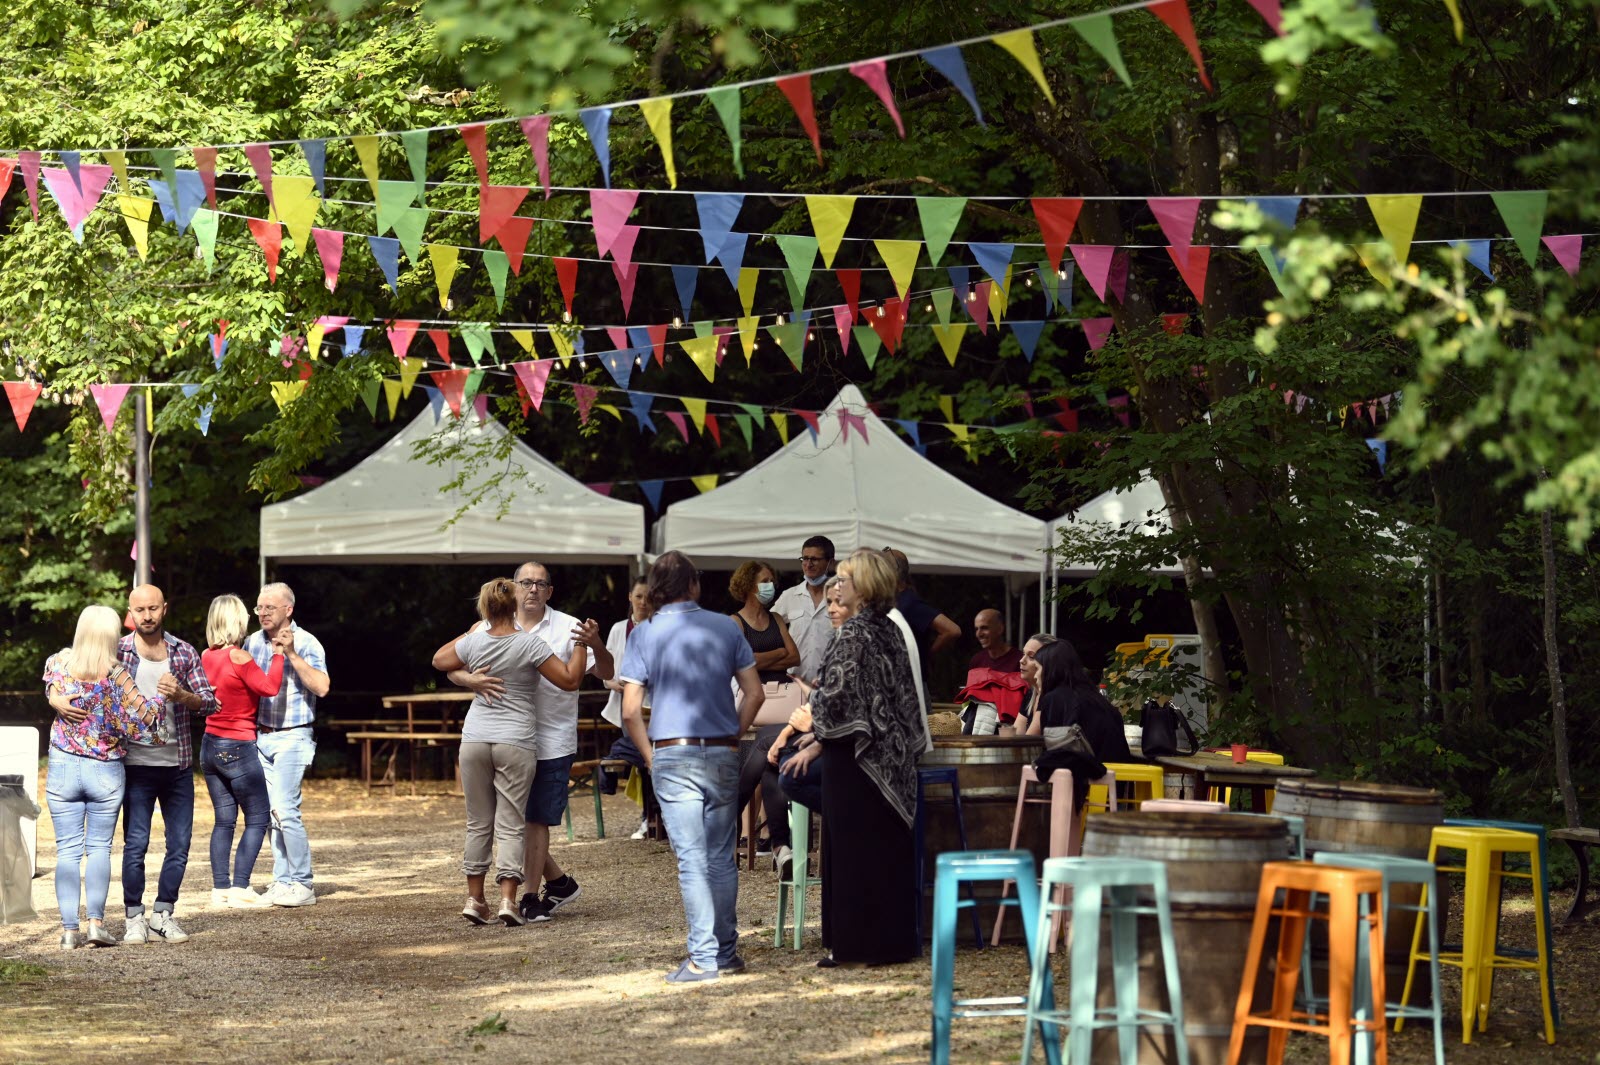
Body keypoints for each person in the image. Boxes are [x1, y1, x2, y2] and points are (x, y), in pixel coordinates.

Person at [618, 551, 764, 983]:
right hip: (721, 751)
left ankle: (702, 959)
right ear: (695, 584)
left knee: (692, 860)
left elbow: (630, 711)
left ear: (658, 588)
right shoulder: (726, 626)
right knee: (721, 856)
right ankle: (726, 952)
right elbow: (753, 694)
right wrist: (733, 737)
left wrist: (649, 755)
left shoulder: (644, 633)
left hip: (672, 752)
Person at [448, 561, 612, 923]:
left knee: (531, 820)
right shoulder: (487, 627)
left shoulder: (570, 627)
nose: (533, 589)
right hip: (506, 736)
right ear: (513, 589)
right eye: (526, 583)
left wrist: (594, 644)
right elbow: (451, 666)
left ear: (550, 591)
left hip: (551, 737)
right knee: (513, 822)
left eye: (541, 584)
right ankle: (553, 884)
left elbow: (606, 672)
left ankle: (528, 896)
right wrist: (470, 681)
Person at [797, 548, 923, 969]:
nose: (835, 584)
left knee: (852, 854)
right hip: (891, 758)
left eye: (844, 578)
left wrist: (811, 723)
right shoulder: (888, 628)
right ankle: (892, 944)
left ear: (864, 587)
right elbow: (901, 699)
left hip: (854, 758)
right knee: (885, 852)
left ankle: (852, 945)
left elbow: (835, 698)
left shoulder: (853, 633)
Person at [43, 606, 167, 949]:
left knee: (66, 851)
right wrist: (161, 696)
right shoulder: (117, 674)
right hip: (105, 769)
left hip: (64, 766)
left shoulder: (59, 661)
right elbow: (147, 722)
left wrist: (56, 701)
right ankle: (96, 924)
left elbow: (52, 689)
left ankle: (69, 931)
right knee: (99, 848)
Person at [115, 583, 217, 945]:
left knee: (180, 844)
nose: (146, 616)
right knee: (135, 844)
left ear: (164, 609)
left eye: (153, 609)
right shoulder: (117, 652)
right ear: (131, 611)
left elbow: (209, 703)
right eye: (140, 610)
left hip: (176, 766)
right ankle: (134, 917)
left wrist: (182, 695)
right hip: (134, 766)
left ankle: (163, 913)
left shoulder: (184, 652)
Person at [245, 582, 330, 908]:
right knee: (269, 813)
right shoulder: (253, 642)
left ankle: (303, 883)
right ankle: (282, 882)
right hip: (261, 735)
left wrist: (291, 654)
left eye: (270, 607)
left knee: (285, 809)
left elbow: (322, 687)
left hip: (294, 735)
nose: (263, 613)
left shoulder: (307, 642)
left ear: (288, 610)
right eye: (259, 607)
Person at [199, 595, 281, 910]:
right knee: (258, 818)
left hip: (209, 744)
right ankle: (242, 888)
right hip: (238, 745)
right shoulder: (240, 657)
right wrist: (278, 656)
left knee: (224, 821)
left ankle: (220, 889)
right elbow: (269, 688)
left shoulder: (206, 655)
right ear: (237, 621)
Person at [729, 560, 800, 876]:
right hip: (754, 701)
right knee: (768, 760)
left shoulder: (775, 618)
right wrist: (774, 656)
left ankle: (729, 819)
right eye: (764, 580)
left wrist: (757, 659)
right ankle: (780, 847)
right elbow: (739, 662)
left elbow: (795, 656)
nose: (770, 585)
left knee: (766, 759)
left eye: (772, 580)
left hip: (782, 703)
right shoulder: (735, 623)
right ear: (748, 585)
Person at [598, 578, 654, 839]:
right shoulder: (619, 629)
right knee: (643, 760)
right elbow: (605, 669)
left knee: (649, 758)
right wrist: (613, 682)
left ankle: (652, 818)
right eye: (639, 596)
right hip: (626, 704)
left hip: (654, 705)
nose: (643, 602)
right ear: (630, 597)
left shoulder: (660, 627)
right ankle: (648, 817)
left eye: (648, 597)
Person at [1025, 639, 1133, 763]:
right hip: (1118, 777)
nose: (1035, 676)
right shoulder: (1096, 697)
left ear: (1050, 670)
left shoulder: (1055, 698)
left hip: (1091, 776)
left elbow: (1053, 753)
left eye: (1038, 669)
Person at [884, 548, 961, 688]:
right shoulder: (896, 601)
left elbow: (952, 630)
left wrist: (926, 654)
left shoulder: (909, 603)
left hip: (912, 686)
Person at [774, 535, 836, 684]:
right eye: (805, 559)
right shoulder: (789, 595)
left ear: (830, 562)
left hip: (831, 685)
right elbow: (767, 628)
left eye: (814, 559)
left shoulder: (841, 596)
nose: (808, 564)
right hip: (795, 684)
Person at [1014, 633, 1058, 731]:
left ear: (1048, 661)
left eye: (1031, 656)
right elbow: (1016, 735)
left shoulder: (1054, 696)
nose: (1021, 660)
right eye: (1023, 654)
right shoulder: (1032, 693)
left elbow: (1030, 741)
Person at [968, 609, 1023, 673]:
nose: (979, 634)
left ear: (1000, 629)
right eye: (976, 629)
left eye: (984, 628)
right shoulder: (976, 661)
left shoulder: (1020, 661)